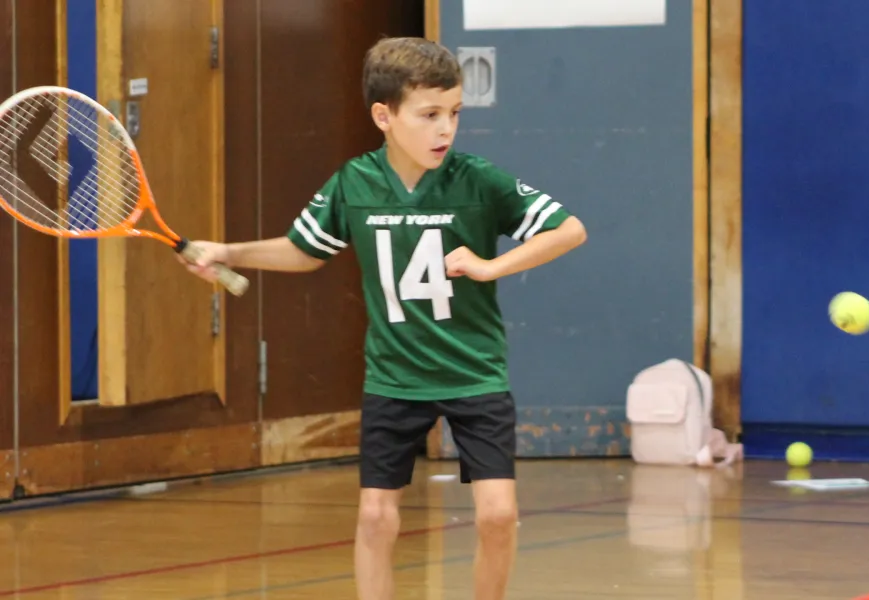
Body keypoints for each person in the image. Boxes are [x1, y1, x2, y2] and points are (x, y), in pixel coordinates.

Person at [178, 37, 587, 600]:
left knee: (497, 515)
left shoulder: (478, 180)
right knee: (374, 517)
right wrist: (227, 251)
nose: (446, 129)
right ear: (384, 116)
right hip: (394, 379)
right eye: (430, 115)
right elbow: (304, 249)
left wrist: (492, 267)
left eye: (454, 114)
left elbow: (568, 229)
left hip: (475, 376)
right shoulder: (354, 184)